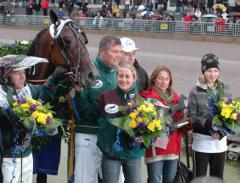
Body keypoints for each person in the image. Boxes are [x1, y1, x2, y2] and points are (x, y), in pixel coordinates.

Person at [0, 55, 71, 183]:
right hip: (8, 158)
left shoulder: (25, 90)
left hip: (27, 156)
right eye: (17, 73)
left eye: (24, 72)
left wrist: (54, 78)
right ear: (5, 75)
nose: (23, 76)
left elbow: (44, 91)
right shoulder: (1, 96)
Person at [73, 35, 122, 183]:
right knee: (85, 180)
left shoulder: (120, 74)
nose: (119, 55)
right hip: (89, 135)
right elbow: (82, 109)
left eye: (120, 52)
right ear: (102, 52)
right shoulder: (88, 71)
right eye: (115, 51)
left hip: (112, 138)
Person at [141, 65, 189, 183]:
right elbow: (141, 126)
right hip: (155, 148)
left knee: (170, 180)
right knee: (154, 180)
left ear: (170, 81)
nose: (163, 82)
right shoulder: (145, 97)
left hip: (173, 148)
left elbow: (182, 126)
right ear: (154, 79)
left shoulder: (176, 98)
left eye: (166, 79)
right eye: (160, 78)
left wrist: (189, 118)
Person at [188, 53, 231, 179]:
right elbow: (192, 117)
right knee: (199, 178)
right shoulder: (194, 91)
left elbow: (232, 115)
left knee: (217, 178)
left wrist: (222, 132)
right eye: (209, 71)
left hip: (220, 144)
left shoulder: (225, 89)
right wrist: (210, 127)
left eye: (215, 70)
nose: (212, 74)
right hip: (202, 142)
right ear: (203, 71)